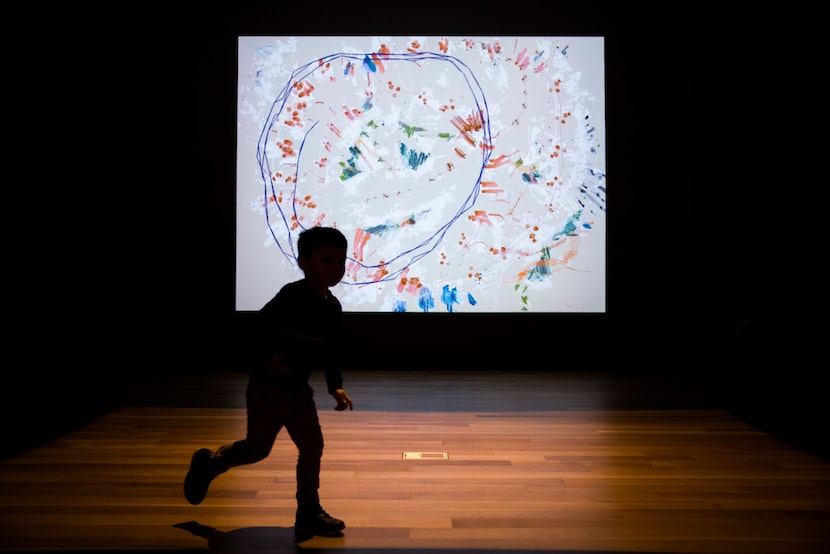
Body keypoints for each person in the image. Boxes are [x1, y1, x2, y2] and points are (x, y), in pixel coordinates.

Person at [184, 226, 354, 539]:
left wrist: (335, 385)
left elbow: (331, 350)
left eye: (341, 261)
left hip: (298, 393)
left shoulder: (332, 307)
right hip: (268, 389)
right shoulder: (292, 296)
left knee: (312, 446)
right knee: (256, 449)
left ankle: (308, 512)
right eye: (327, 259)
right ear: (303, 262)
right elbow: (256, 329)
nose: (335, 268)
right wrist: (264, 360)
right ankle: (211, 462)